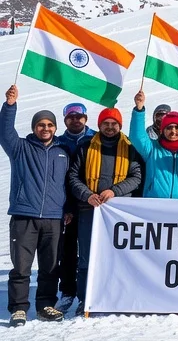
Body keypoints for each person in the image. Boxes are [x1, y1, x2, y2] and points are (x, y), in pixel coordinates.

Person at [3, 86, 72, 325]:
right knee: (21, 266)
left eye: (49, 125)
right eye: (41, 125)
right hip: (24, 215)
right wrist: (10, 105)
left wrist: (68, 210)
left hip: (53, 218)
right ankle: (19, 308)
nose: (45, 128)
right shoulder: (20, 148)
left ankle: (45, 305)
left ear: (55, 127)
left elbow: (68, 184)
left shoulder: (63, 151)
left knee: (50, 266)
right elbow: (4, 131)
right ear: (34, 128)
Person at [65, 107, 143, 309]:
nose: (110, 127)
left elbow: (136, 177)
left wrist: (115, 191)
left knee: (118, 255)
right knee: (87, 257)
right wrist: (87, 195)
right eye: (105, 124)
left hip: (118, 213)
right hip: (89, 210)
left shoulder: (129, 148)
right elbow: (73, 177)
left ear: (120, 126)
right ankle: (85, 298)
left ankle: (116, 296)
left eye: (114, 124)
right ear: (99, 125)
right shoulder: (86, 147)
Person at [54, 103, 93, 313]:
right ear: (65, 120)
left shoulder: (95, 139)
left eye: (79, 116)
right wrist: (66, 206)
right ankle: (67, 291)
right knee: (67, 251)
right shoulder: (58, 142)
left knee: (89, 251)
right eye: (71, 117)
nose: (75, 120)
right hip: (67, 206)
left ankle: (86, 293)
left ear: (86, 118)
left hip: (92, 204)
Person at [128, 91, 178, 200]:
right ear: (162, 131)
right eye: (169, 128)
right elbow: (137, 137)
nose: (173, 131)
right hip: (155, 205)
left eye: (177, 128)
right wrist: (139, 109)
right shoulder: (152, 149)